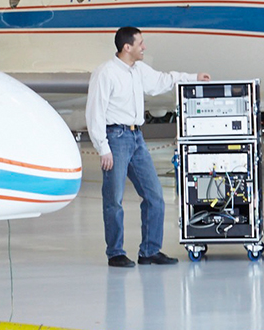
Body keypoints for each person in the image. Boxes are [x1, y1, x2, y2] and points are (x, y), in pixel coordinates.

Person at [85, 27, 210, 267]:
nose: (144, 47)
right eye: (140, 43)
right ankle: (115, 253)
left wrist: (193, 77)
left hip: (136, 138)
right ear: (127, 47)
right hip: (115, 137)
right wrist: (103, 148)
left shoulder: (138, 70)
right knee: (114, 199)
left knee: (154, 196)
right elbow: (95, 112)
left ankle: (150, 251)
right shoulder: (106, 73)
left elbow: (163, 80)